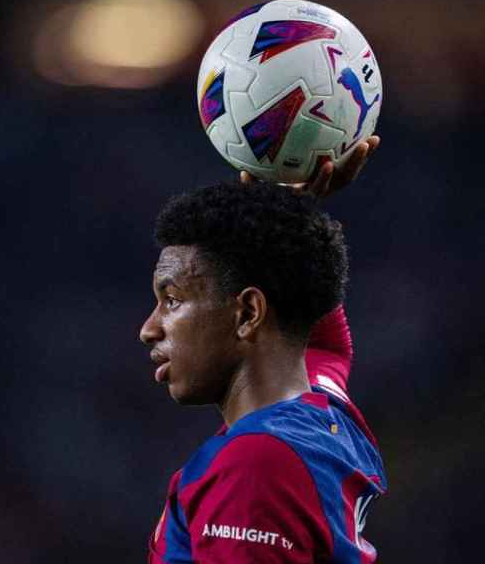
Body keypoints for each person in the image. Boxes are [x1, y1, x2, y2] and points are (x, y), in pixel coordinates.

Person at [140, 137, 388, 563]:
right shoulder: (328, 414)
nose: (149, 329)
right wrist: (290, 208)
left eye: (173, 300)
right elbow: (317, 335)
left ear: (248, 312)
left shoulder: (255, 465)